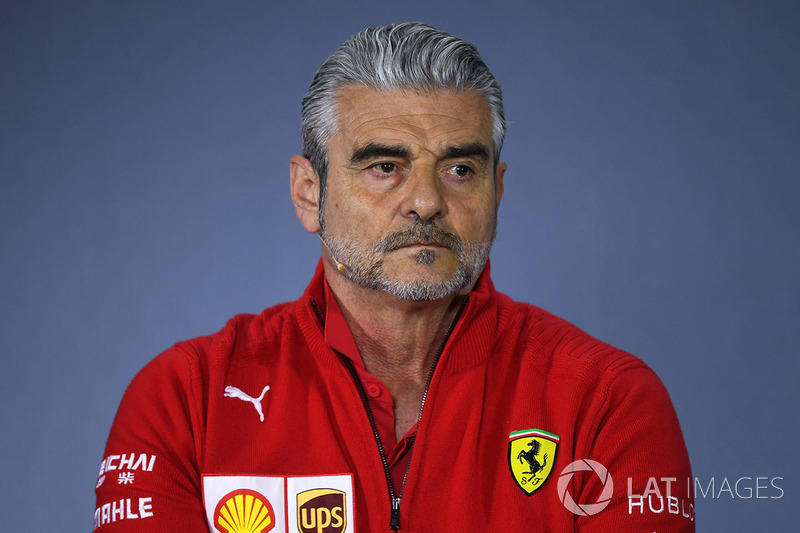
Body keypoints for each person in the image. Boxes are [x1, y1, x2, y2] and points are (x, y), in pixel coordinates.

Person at [93, 22, 694, 532]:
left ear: (497, 191)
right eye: (385, 166)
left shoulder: (608, 402)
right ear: (310, 193)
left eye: (460, 168)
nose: (427, 202)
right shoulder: (183, 402)